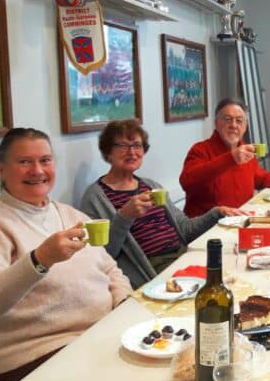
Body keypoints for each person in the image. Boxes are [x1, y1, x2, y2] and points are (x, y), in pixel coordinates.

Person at [0, 128, 132, 381]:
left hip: (100, 336)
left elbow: (111, 270)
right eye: (24, 162)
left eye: (45, 160)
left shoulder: (72, 215)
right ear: (1, 169)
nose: (37, 170)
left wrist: (123, 304)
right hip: (36, 354)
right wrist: (40, 260)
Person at [80, 119, 245, 289]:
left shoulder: (151, 186)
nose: (132, 152)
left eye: (137, 145)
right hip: (151, 271)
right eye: (123, 145)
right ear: (108, 152)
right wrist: (124, 216)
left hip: (182, 258)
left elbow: (185, 229)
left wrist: (216, 213)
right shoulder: (95, 197)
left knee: (238, 269)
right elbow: (100, 257)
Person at [180, 98, 270, 217]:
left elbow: (261, 178)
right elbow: (186, 182)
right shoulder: (200, 150)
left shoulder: (245, 150)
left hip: (240, 220)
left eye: (239, 121)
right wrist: (230, 158)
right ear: (216, 123)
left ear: (245, 126)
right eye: (227, 119)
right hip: (207, 227)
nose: (233, 125)